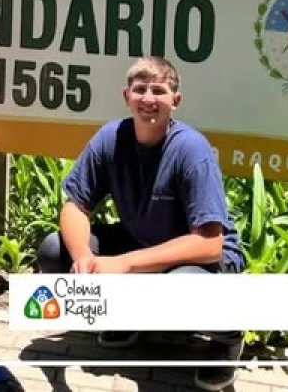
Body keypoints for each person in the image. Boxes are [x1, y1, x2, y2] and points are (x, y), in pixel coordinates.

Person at [36, 55, 245, 392]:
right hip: (143, 243)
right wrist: (82, 259)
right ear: (127, 96)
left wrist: (122, 264)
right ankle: (129, 318)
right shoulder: (110, 138)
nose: (148, 98)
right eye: (140, 89)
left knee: (181, 288)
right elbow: (75, 205)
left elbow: (210, 244)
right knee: (53, 250)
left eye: (159, 91)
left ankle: (226, 340)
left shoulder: (191, 150)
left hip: (203, 263)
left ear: (175, 101)